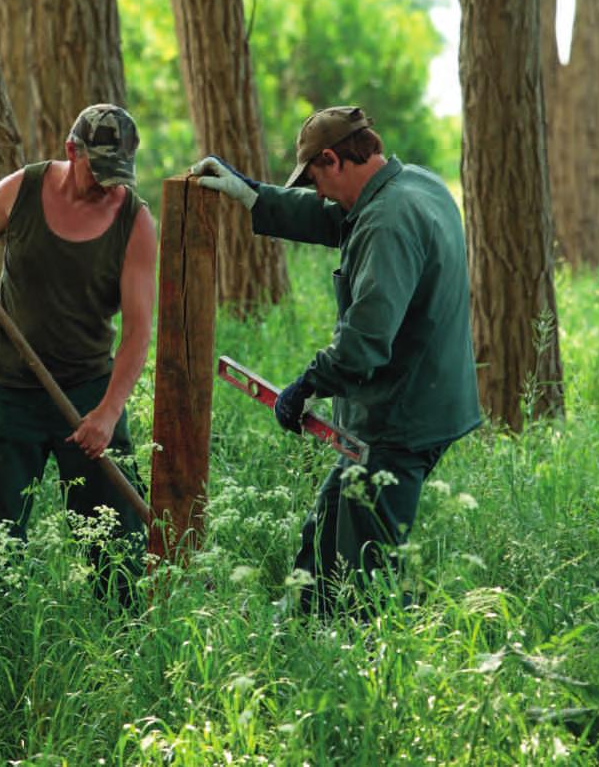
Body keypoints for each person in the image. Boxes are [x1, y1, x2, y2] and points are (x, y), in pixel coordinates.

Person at [192, 106, 480, 615]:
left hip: (398, 422)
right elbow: (335, 217)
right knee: (327, 538)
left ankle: (370, 662)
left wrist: (306, 385)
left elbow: (365, 340)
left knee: (363, 572)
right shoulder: (415, 185)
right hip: (426, 406)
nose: (318, 192)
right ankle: (303, 634)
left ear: (333, 158)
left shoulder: (388, 221)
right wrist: (252, 193)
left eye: (317, 178)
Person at [0, 104, 157, 591]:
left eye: (120, 171)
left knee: (119, 550)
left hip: (88, 394)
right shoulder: (21, 189)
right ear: (72, 150)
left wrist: (109, 413)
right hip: (10, 391)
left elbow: (136, 331)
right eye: (100, 168)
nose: (110, 184)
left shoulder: (134, 221)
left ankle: (130, 639)